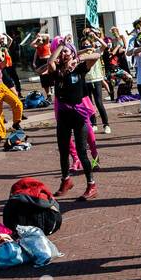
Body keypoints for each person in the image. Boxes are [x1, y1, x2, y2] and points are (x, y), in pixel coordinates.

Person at [42, 43, 100, 200]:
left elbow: (97, 55)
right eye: (61, 52)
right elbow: (50, 62)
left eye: (66, 52)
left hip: (78, 115)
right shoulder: (57, 71)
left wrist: (78, 57)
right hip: (63, 116)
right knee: (63, 151)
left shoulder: (80, 69)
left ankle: (91, 185)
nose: (62, 54)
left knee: (82, 152)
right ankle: (66, 180)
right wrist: (61, 46)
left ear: (73, 54)